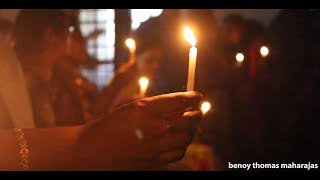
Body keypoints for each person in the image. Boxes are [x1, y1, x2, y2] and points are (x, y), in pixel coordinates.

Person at [0, 26, 204, 170]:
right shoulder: (46, 84)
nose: (83, 44)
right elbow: (88, 121)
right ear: (51, 35)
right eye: (72, 34)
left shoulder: (70, 79)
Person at [13, 9, 137, 127]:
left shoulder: (62, 76)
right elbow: (82, 131)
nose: (83, 41)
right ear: (50, 36)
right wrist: (116, 84)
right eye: (71, 32)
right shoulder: (38, 85)